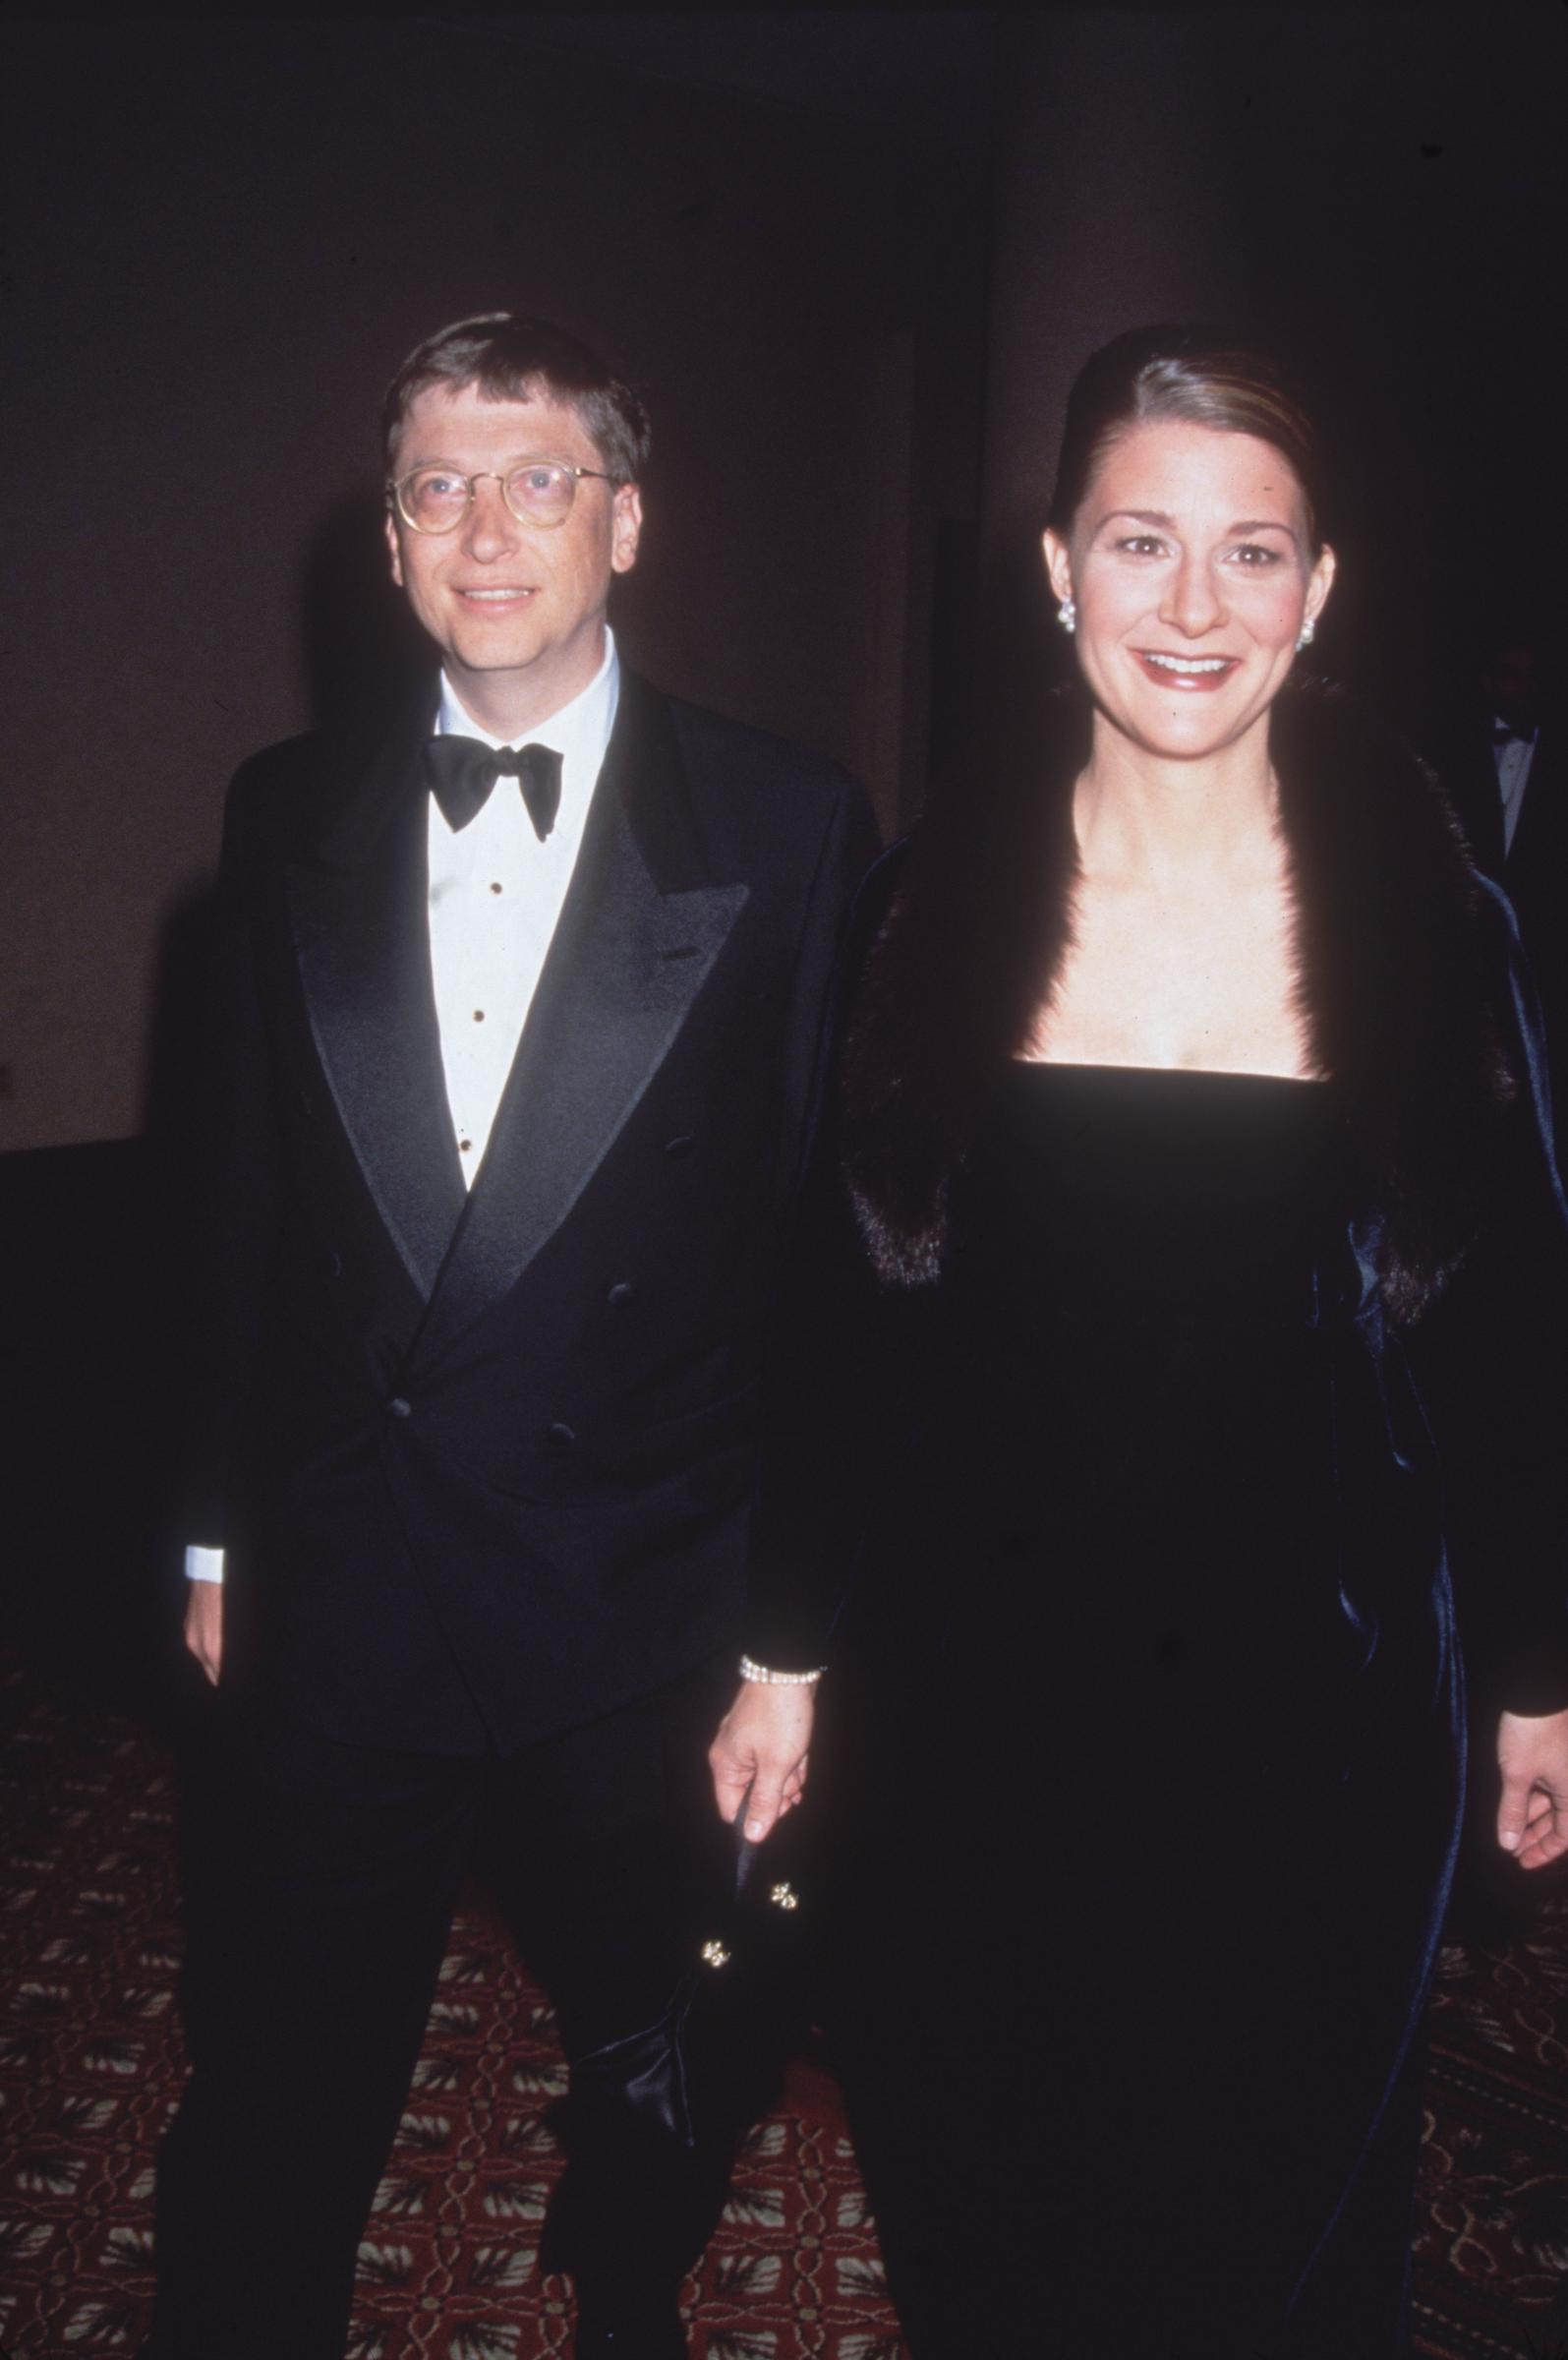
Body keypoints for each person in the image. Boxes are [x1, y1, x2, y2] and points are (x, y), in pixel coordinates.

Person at [711, 325, 1568, 2357]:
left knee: (1268, 2240)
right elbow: (837, 1319)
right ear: (1052, 567)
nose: (1196, 608)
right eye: (1142, 542)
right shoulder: (927, 908)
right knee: (996, 2209)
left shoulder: (1433, 924)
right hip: (974, 1712)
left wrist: (1538, 1678)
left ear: (1323, 589)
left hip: (1320, 1726)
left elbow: (1516, 1321)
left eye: (1252, 553)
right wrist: (783, 1657)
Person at [145, 312, 878, 2360]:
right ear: (386, 543)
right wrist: (212, 1533)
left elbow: (834, 1270)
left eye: (540, 478)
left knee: (672, 2042)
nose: (490, 528)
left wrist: (792, 1640)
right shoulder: (282, 805)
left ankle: (626, 2286)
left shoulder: (793, 827)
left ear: (628, 522)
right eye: (440, 487)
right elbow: (240, 1201)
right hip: (343, 1580)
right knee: (271, 2088)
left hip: (635, 1596)